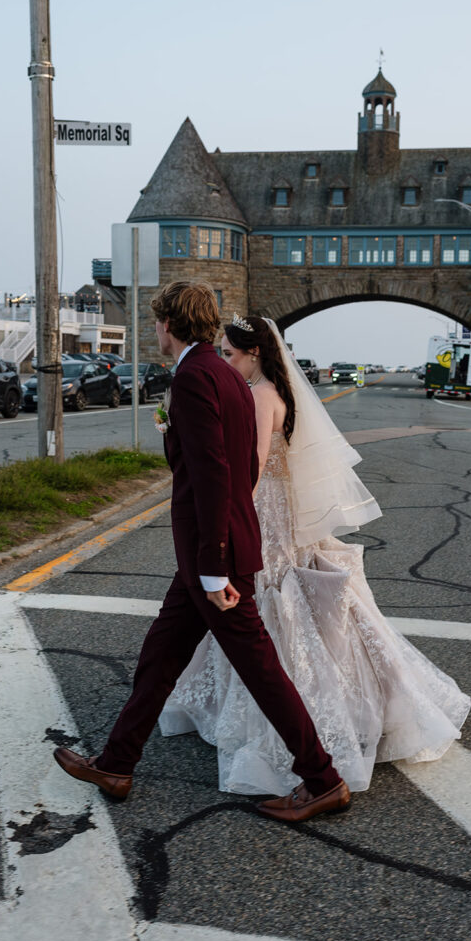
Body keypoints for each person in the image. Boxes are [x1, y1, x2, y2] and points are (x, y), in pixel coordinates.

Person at [53, 283, 350, 823]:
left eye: (158, 322)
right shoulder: (226, 376)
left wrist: (214, 566)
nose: (157, 332)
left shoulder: (193, 377)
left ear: (169, 323)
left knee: (260, 668)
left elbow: (215, 476)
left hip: (212, 556)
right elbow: (242, 468)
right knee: (161, 655)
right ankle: (117, 764)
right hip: (213, 551)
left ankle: (323, 779)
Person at [160, 314, 471, 795]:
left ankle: (300, 739)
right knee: (274, 603)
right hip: (282, 509)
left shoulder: (261, 396)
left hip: (262, 508)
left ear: (255, 353)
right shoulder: (277, 393)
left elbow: (253, 467)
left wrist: (226, 512)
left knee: (269, 604)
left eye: (230, 353)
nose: (226, 361)